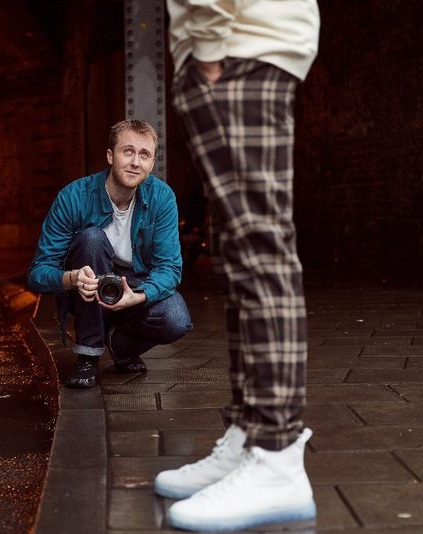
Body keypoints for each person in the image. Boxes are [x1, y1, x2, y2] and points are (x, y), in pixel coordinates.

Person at [154, 0, 321, 532]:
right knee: (241, 258)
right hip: (236, 48)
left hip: (235, 51)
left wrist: (205, 45)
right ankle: (250, 437)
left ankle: (275, 457)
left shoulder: (225, 50)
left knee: (261, 253)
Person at [28, 119, 192, 388]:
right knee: (91, 238)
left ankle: (121, 346)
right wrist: (71, 278)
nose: (135, 162)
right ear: (110, 156)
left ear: (151, 163)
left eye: (144, 155)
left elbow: (170, 268)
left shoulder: (162, 197)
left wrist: (138, 296)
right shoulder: (73, 197)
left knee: (176, 319)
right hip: (86, 290)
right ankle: (88, 355)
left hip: (133, 288)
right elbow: (37, 272)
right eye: (127, 151)